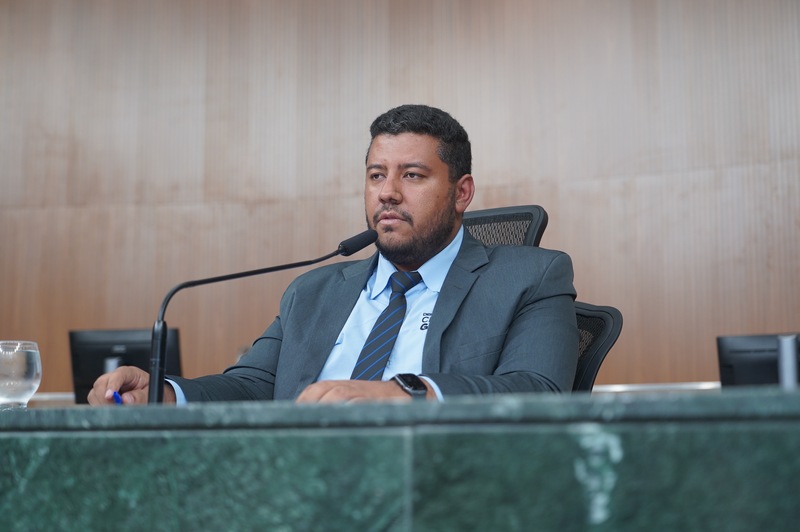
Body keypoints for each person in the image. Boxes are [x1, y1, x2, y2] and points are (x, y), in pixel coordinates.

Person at [88, 104, 578, 406]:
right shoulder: (313, 291)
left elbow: (538, 389)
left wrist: (403, 392)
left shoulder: (530, 277)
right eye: (376, 175)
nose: (387, 192)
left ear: (461, 192)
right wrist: (164, 394)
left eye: (412, 175)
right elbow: (254, 386)